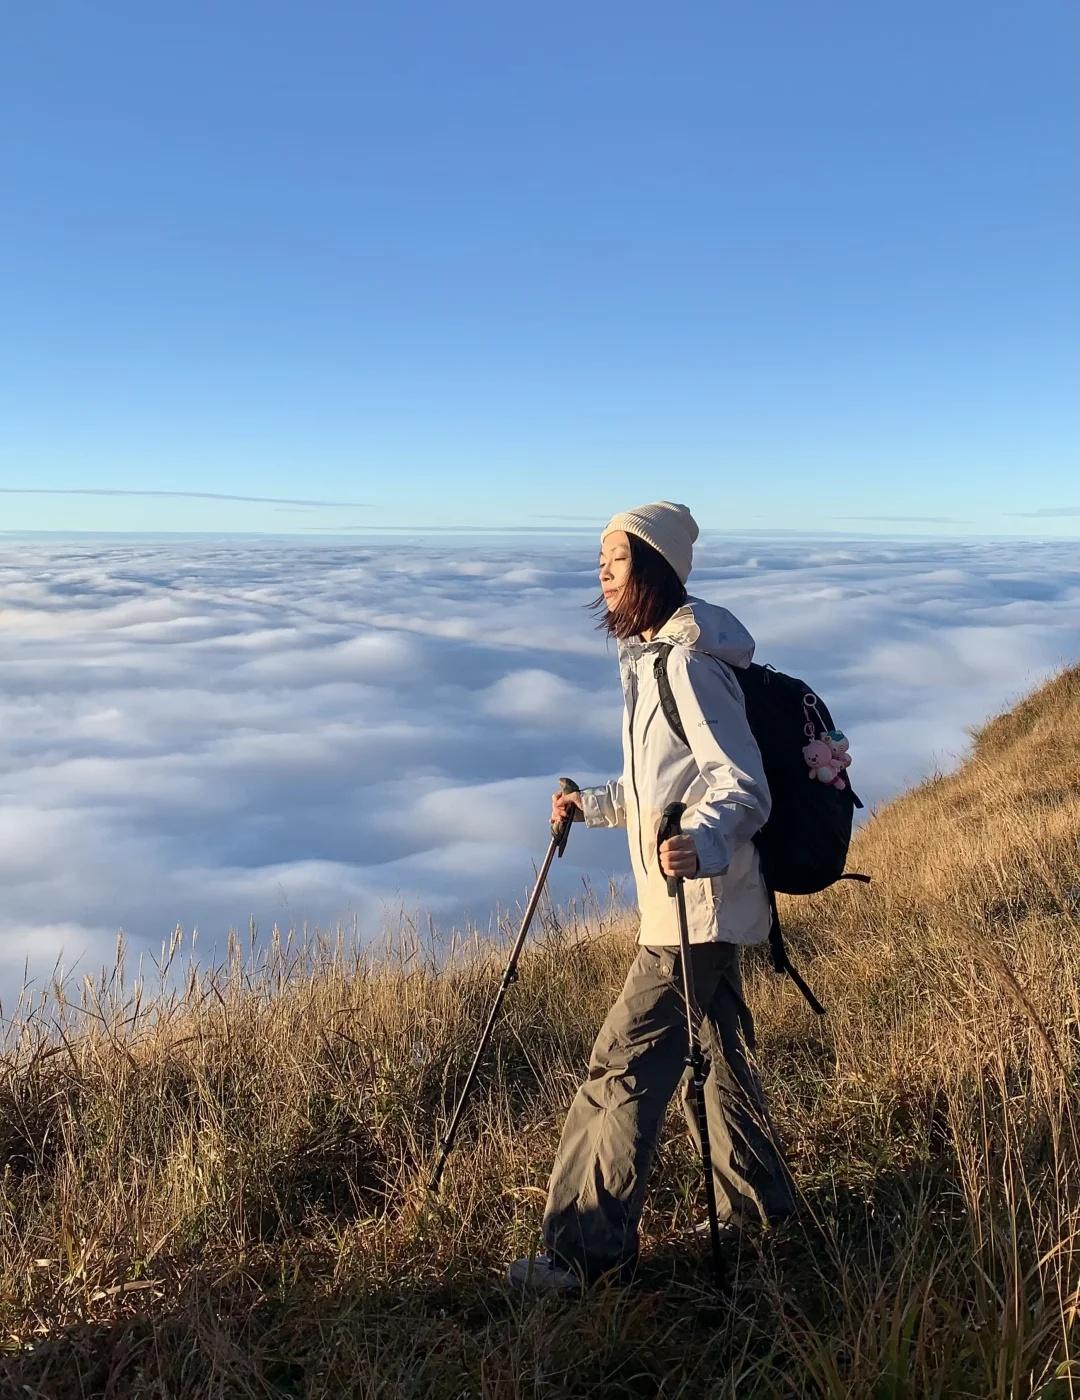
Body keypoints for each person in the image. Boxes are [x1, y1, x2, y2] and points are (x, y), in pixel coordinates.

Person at [507, 501, 795, 1294]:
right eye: (600, 557)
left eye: (618, 557)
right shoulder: (656, 661)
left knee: (619, 1069)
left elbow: (743, 787)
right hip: (698, 908)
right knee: (724, 1069)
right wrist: (593, 805)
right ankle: (771, 1221)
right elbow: (660, 792)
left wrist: (700, 846)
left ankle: (583, 1255)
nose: (603, 570)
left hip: (690, 914)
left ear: (656, 568)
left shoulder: (689, 666)